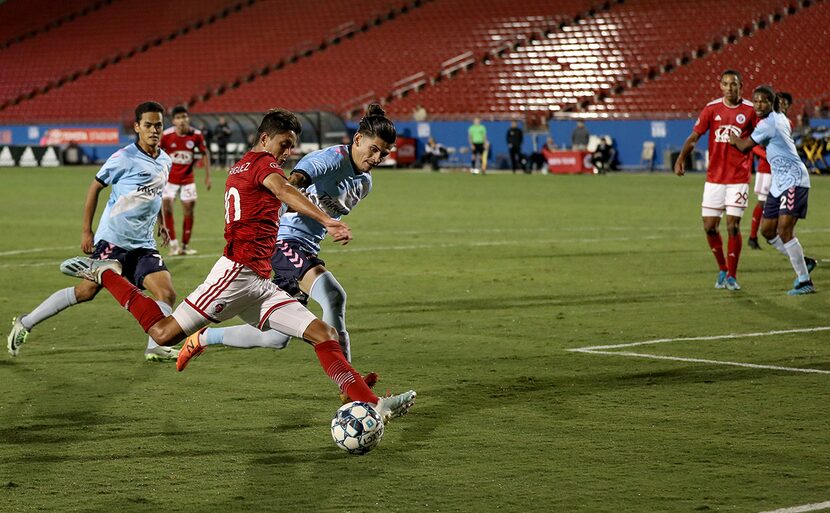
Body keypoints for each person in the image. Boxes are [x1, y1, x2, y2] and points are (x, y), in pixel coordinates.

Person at [58, 108, 416, 421]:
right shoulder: (262, 165)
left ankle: (372, 404)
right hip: (234, 274)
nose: (289, 152)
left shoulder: (251, 165)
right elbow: (287, 190)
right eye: (284, 144)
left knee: (323, 334)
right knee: (163, 333)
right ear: (265, 138)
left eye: (292, 145)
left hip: (259, 280)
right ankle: (106, 274)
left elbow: (280, 193)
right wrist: (328, 220)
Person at [175, 105, 396, 389]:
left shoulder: (364, 183)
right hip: (282, 242)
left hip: (305, 248)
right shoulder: (329, 159)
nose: (377, 157)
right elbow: (292, 182)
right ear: (357, 140)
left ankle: (202, 338)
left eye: (384, 154)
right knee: (333, 296)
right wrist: (323, 218)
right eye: (373, 149)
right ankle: (350, 385)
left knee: (276, 339)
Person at [8, 101, 180, 362]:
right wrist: (86, 232)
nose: (154, 130)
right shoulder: (124, 158)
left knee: (166, 293)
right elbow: (94, 188)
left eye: (158, 125)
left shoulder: (165, 160)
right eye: (148, 125)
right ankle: (25, 322)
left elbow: (155, 195)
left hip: (144, 243)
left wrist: (162, 223)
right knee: (85, 292)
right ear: (137, 127)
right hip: (113, 240)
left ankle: (154, 346)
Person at [729, 85, 817, 295]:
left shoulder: (769, 124)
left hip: (794, 180)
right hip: (779, 182)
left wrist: (732, 137)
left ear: (771, 102)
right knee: (767, 231)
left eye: (763, 101)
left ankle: (804, 280)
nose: (759, 105)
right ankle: (803, 261)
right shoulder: (779, 118)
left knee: (784, 231)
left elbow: (743, 147)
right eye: (756, 101)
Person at [674, 69, 757, 291]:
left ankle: (732, 275)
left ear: (741, 86)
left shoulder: (750, 110)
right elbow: (694, 137)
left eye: (734, 84)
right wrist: (681, 158)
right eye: (726, 84)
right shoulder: (711, 109)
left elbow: (761, 138)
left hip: (738, 177)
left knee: (732, 225)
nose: (730, 88)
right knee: (710, 227)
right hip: (714, 179)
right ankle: (722, 268)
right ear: (720, 86)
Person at [160, 105, 212, 256]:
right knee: (167, 207)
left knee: (188, 210)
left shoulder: (196, 135)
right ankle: (173, 244)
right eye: (178, 118)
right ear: (173, 121)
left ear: (188, 118)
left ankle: (185, 245)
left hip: (188, 180)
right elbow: (157, 153)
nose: (182, 120)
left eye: (184, 117)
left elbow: (204, 153)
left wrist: (207, 176)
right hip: (170, 180)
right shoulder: (167, 135)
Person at [748, 92, 793, 250]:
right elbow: (753, 146)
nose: (781, 105)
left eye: (784, 103)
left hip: (782, 172)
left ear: (788, 106)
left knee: (783, 204)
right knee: (762, 201)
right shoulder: (765, 122)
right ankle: (753, 237)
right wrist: (767, 155)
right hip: (766, 169)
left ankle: (772, 233)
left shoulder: (788, 123)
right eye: (779, 102)